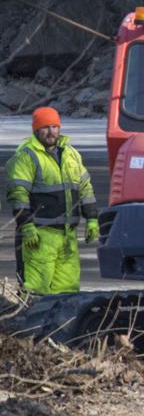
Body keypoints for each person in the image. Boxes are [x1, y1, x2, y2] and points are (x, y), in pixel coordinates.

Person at [4, 107, 98, 294]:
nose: (51, 132)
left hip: (67, 236)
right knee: (35, 290)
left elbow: (85, 188)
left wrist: (92, 219)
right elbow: (18, 194)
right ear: (36, 130)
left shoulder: (71, 154)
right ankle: (32, 323)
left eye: (54, 126)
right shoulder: (26, 156)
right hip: (39, 236)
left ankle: (61, 324)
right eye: (45, 127)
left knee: (68, 291)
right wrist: (27, 226)